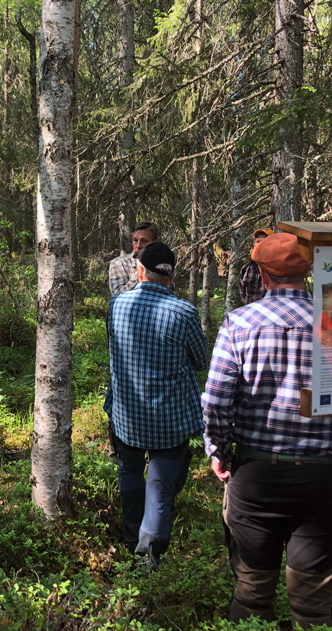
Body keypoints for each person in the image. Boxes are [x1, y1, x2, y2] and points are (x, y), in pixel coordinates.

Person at [202, 232, 332, 629]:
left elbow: (217, 399)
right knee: (312, 602)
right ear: (308, 272)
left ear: (262, 273)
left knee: (252, 591)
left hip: (255, 476)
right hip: (321, 478)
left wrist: (219, 451)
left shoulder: (238, 323)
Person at [105, 242, 208, 569]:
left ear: (140, 271)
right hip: (169, 420)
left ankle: (132, 538)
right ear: (171, 275)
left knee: (131, 474)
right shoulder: (184, 312)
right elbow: (200, 360)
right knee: (161, 488)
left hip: (126, 416)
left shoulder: (117, 305)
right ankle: (149, 559)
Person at [108, 222, 160, 296]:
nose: (138, 245)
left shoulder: (160, 263)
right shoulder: (118, 263)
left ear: (154, 243)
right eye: (135, 240)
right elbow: (117, 296)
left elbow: (168, 291)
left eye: (144, 241)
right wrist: (142, 271)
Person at [238, 228, 273, 305]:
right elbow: (242, 294)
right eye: (258, 241)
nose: (260, 244)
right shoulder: (246, 268)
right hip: (250, 313)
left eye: (265, 241)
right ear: (254, 244)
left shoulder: (276, 269)